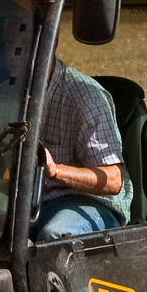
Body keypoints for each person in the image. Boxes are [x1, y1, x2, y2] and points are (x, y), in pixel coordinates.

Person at [34, 59, 132, 240]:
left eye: (21, 45)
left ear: (50, 41)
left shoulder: (86, 97)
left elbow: (113, 180)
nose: (10, 54)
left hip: (89, 202)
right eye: (7, 44)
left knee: (54, 236)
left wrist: (56, 171)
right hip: (29, 200)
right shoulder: (8, 91)